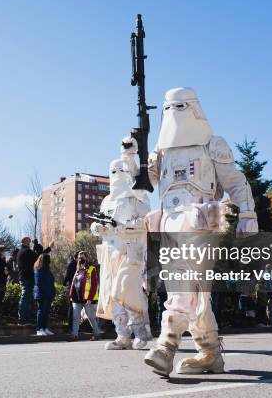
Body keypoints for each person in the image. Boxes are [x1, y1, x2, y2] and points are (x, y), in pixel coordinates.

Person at [143, 88, 258, 376]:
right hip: (168, 226)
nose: (174, 112)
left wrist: (247, 213)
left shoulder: (212, 145)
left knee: (186, 285)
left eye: (180, 106)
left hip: (202, 223)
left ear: (193, 108)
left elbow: (235, 181)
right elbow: (143, 185)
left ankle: (165, 346)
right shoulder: (160, 154)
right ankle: (209, 353)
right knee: (196, 293)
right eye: (169, 108)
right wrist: (135, 155)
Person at [91, 139, 152, 350]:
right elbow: (98, 223)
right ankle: (122, 335)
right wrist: (97, 228)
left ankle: (141, 333)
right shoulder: (107, 201)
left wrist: (123, 226)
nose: (116, 175)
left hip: (130, 250)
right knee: (112, 295)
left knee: (129, 291)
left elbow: (145, 222)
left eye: (120, 170)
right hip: (109, 252)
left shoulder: (137, 196)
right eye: (113, 171)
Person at [69, 251, 102, 340]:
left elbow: (94, 285)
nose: (80, 259)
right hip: (76, 298)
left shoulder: (91, 269)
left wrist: (90, 298)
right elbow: (73, 282)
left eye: (82, 257)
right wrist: (71, 294)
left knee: (91, 316)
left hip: (87, 299)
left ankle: (97, 333)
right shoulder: (78, 269)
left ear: (86, 258)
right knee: (75, 317)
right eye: (79, 257)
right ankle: (74, 335)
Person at [34, 253, 56, 336]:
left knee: (46, 312)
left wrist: (52, 292)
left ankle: (45, 328)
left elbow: (50, 282)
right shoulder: (39, 270)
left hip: (48, 294)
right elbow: (39, 284)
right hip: (42, 295)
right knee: (41, 311)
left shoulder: (47, 270)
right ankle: (39, 329)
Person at [16, 237, 37, 326]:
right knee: (25, 298)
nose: (30, 241)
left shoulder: (21, 251)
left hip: (24, 277)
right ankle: (22, 319)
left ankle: (26, 319)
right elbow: (39, 257)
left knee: (27, 298)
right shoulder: (26, 251)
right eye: (29, 240)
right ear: (25, 242)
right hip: (27, 278)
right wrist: (49, 248)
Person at [63, 252, 78, 331]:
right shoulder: (72, 264)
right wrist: (65, 286)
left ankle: (74, 326)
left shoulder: (77, 264)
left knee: (76, 308)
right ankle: (71, 327)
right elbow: (67, 276)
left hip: (76, 288)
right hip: (72, 288)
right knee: (72, 307)